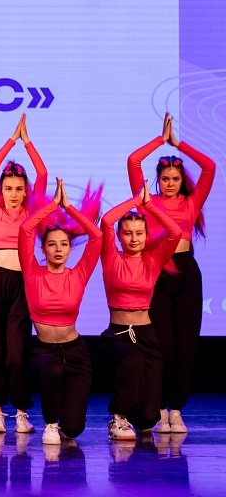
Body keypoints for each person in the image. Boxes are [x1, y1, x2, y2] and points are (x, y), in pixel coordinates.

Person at [127, 113, 215, 433]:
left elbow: (209, 167)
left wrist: (179, 144)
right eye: (165, 178)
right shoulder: (147, 201)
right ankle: (159, 407)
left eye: (175, 179)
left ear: (181, 181)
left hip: (187, 273)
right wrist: (159, 141)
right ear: (158, 180)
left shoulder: (191, 204)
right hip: (158, 274)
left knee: (185, 345)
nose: (170, 184)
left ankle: (175, 409)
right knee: (162, 344)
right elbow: (133, 161)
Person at [18, 179, 102, 445]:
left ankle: (64, 423)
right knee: (51, 370)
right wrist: (53, 205)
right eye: (52, 244)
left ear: (69, 248)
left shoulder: (78, 274)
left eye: (63, 244)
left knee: (74, 429)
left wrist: (68, 208)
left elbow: (97, 237)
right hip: (44, 352)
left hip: (75, 353)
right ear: (43, 248)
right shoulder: (33, 273)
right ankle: (50, 424)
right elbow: (25, 229)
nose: (58, 249)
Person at [0, 114, 47, 434]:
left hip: (23, 285)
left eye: (19, 188)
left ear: (25, 191)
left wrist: (27, 141)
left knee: (18, 352)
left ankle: (20, 411)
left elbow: (42, 173)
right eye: (8, 188)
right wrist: (11, 140)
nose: (14, 194)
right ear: (1, 190)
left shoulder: (32, 212)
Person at [100, 181, 182, 439]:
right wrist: (137, 200)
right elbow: (106, 221)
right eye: (127, 233)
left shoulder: (152, 260)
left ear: (147, 236)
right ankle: (118, 417)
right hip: (118, 334)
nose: (134, 239)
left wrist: (150, 206)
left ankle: (136, 415)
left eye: (139, 233)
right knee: (131, 361)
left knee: (148, 419)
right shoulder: (111, 258)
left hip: (147, 335)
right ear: (119, 236)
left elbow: (175, 232)